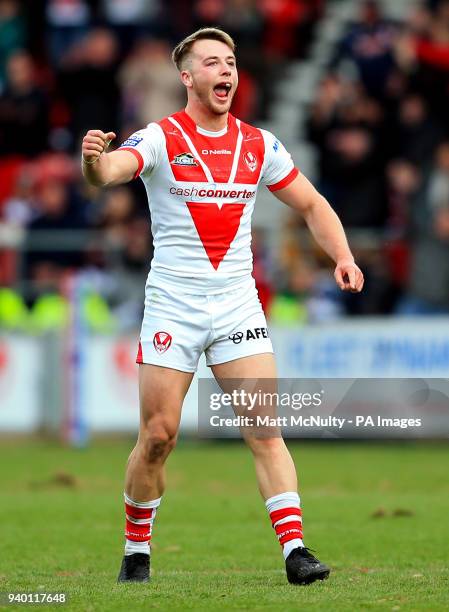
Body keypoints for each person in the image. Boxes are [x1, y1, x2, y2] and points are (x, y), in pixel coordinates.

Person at [81, 27, 364, 586]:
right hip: (173, 306)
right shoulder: (160, 138)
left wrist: (343, 255)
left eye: (231, 62)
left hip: (236, 306)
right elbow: (110, 173)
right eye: (212, 62)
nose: (226, 71)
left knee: (265, 431)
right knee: (159, 435)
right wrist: (95, 160)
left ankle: (296, 551)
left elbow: (310, 202)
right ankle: (137, 549)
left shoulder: (259, 143)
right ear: (187, 77)